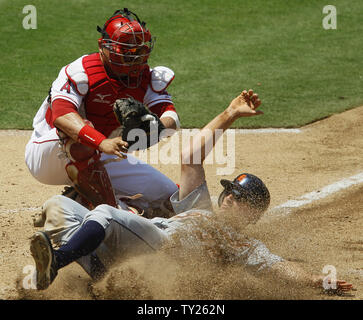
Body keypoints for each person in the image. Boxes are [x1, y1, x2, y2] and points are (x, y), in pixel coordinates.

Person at [29, 89, 353, 295]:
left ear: (250, 212)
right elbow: (191, 157)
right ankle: (96, 268)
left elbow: (279, 266)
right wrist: (231, 114)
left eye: (236, 197)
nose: (227, 197)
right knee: (58, 205)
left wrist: (314, 280)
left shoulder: (243, 245)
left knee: (103, 213)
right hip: (138, 237)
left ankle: (58, 261)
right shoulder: (201, 207)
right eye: (228, 192)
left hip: (158, 249)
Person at [25, 8, 179, 214]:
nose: (134, 59)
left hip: (101, 155)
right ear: (104, 47)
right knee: (82, 136)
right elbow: (61, 115)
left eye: (139, 51)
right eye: (127, 51)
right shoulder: (81, 71)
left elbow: (172, 117)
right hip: (49, 154)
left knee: (168, 197)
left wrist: (156, 125)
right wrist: (101, 142)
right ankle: (110, 212)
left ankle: (79, 201)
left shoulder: (148, 77)